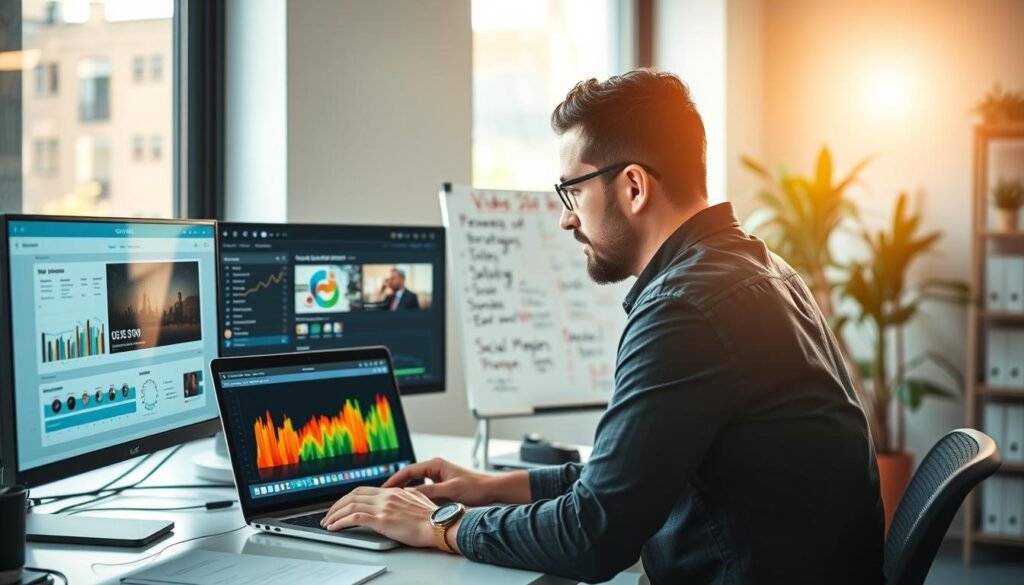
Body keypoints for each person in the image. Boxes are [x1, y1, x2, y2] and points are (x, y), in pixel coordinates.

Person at [321, 69, 884, 584]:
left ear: (634, 187)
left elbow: (594, 534)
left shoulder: (685, 308)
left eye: (573, 191)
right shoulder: (755, 265)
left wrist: (441, 525)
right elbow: (628, 480)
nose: (566, 216)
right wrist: (486, 487)